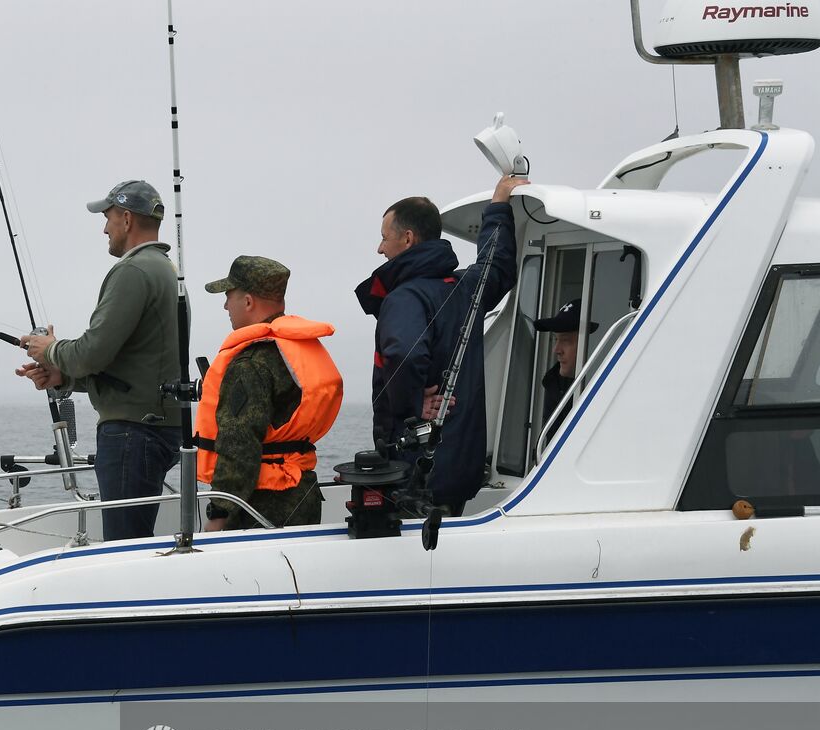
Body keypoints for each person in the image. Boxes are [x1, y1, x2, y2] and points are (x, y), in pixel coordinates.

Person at [16, 179, 181, 541]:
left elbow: (92, 352)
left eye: (107, 218)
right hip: (159, 428)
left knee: (123, 548)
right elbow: (131, 364)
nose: (104, 228)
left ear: (126, 218)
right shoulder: (165, 270)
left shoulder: (132, 272)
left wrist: (50, 349)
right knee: (134, 544)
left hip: (132, 434)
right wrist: (62, 377)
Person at [355, 174, 526, 514]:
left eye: (383, 238)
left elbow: (403, 354)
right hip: (459, 468)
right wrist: (498, 205)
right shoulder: (465, 288)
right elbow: (498, 265)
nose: (379, 249)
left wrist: (413, 404)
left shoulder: (404, 298)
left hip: (416, 469)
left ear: (407, 238)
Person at [195, 256, 343, 531]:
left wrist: (218, 514)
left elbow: (239, 445)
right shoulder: (295, 351)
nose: (226, 305)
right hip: (303, 493)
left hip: (260, 505)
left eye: (229, 296)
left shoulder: (250, 363)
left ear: (248, 301)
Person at [534, 298, 598, 443]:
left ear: (589, 344)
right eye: (556, 339)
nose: (556, 350)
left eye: (566, 340)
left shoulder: (600, 391)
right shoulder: (553, 385)